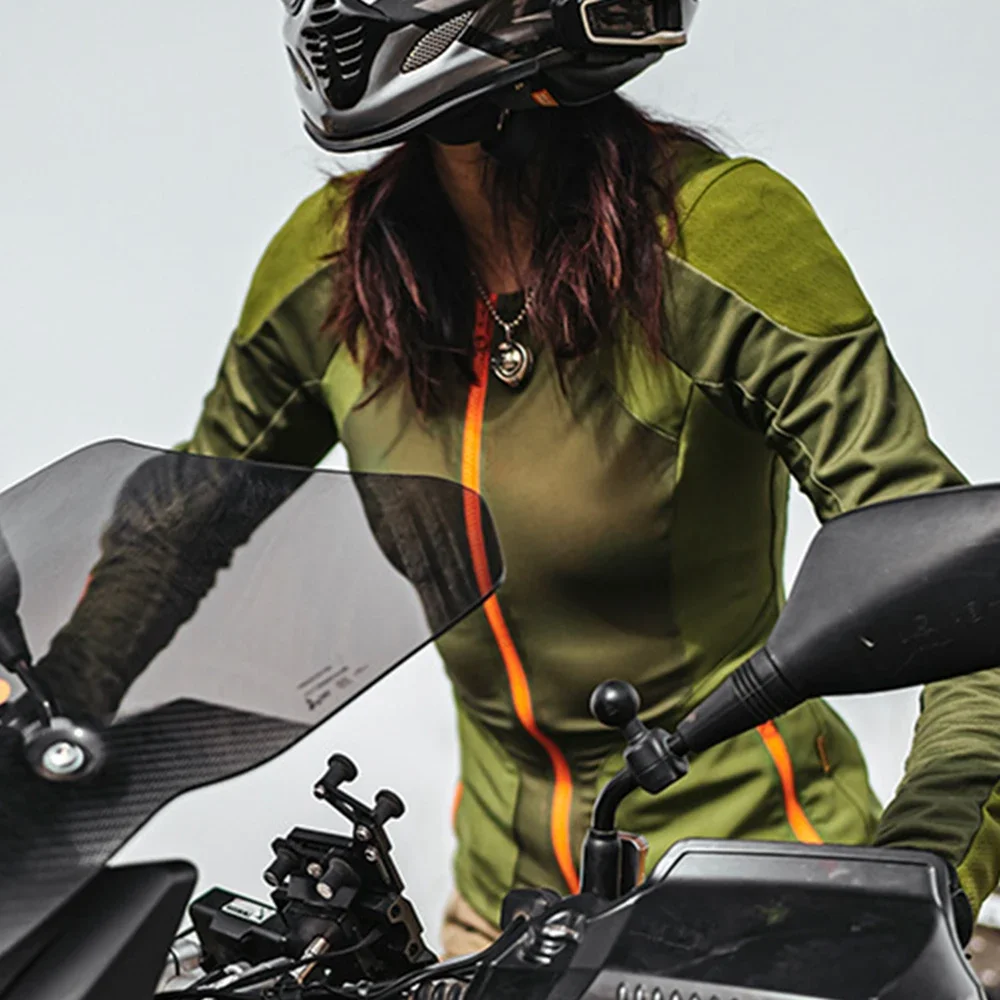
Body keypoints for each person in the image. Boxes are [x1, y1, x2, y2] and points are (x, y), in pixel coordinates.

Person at [27, 0, 1000, 958]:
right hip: (500, 929)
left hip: (764, 909)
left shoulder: (720, 234)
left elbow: (960, 597)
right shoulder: (335, 264)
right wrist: (35, 731)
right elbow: (175, 533)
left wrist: (918, 876)